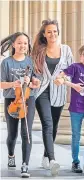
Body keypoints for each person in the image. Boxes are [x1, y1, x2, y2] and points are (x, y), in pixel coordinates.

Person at [31, 18, 81, 176]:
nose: (52, 34)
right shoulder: (39, 50)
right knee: (47, 123)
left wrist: (64, 79)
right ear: (44, 34)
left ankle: (46, 156)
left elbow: (73, 72)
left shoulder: (66, 50)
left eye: (55, 31)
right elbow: (33, 70)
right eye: (49, 32)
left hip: (59, 92)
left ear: (58, 33)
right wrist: (34, 80)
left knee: (54, 126)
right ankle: (52, 159)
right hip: (42, 91)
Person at [0, 32, 40, 178]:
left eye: (25, 43)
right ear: (13, 45)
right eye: (19, 43)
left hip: (28, 99)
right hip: (12, 100)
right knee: (12, 135)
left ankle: (25, 165)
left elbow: (36, 81)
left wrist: (33, 83)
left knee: (26, 132)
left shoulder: (30, 62)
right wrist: (13, 83)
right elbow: (1, 84)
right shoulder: (6, 63)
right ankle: (11, 155)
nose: (23, 45)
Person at [54, 44, 84, 175]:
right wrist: (73, 85)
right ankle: (75, 162)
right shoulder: (75, 67)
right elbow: (60, 78)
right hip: (76, 107)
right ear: (81, 56)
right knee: (76, 135)